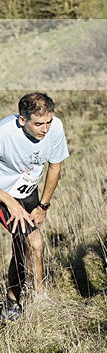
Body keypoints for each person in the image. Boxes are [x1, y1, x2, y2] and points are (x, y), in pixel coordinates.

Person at [0, 92, 69, 321]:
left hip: (28, 190)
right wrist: (11, 203)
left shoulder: (55, 127)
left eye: (48, 121)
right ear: (22, 120)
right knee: (35, 242)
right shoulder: (4, 133)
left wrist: (43, 206)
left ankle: (11, 301)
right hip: (3, 193)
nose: (45, 129)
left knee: (22, 245)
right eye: (38, 124)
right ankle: (41, 301)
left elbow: (55, 167)